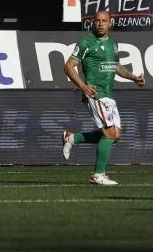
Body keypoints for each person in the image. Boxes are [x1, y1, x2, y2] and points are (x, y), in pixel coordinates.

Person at [61, 10, 144, 186]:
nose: (100, 24)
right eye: (97, 21)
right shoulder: (86, 42)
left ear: (110, 23)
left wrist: (134, 77)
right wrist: (83, 86)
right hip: (96, 93)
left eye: (104, 21)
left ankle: (72, 138)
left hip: (108, 94)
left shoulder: (113, 43)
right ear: (93, 23)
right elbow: (68, 66)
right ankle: (98, 174)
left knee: (115, 135)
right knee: (108, 134)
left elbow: (117, 67)